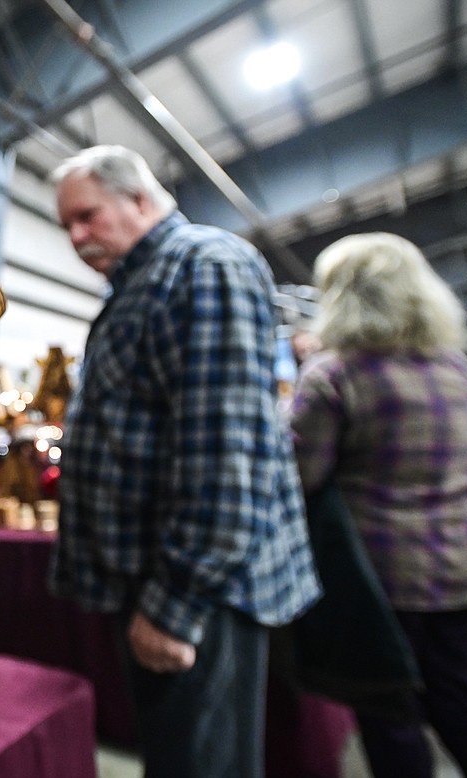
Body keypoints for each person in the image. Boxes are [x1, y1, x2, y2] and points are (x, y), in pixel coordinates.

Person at [47, 145, 321, 778]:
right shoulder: (141, 282)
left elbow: (225, 453)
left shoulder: (203, 265)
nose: (77, 237)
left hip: (196, 593)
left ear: (140, 198)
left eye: (87, 216)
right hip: (160, 581)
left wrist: (176, 604)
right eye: (67, 226)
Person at [289, 232, 467, 778]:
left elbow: (300, 476)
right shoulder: (452, 367)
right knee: (457, 702)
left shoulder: (336, 377)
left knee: (391, 715)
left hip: (385, 581)